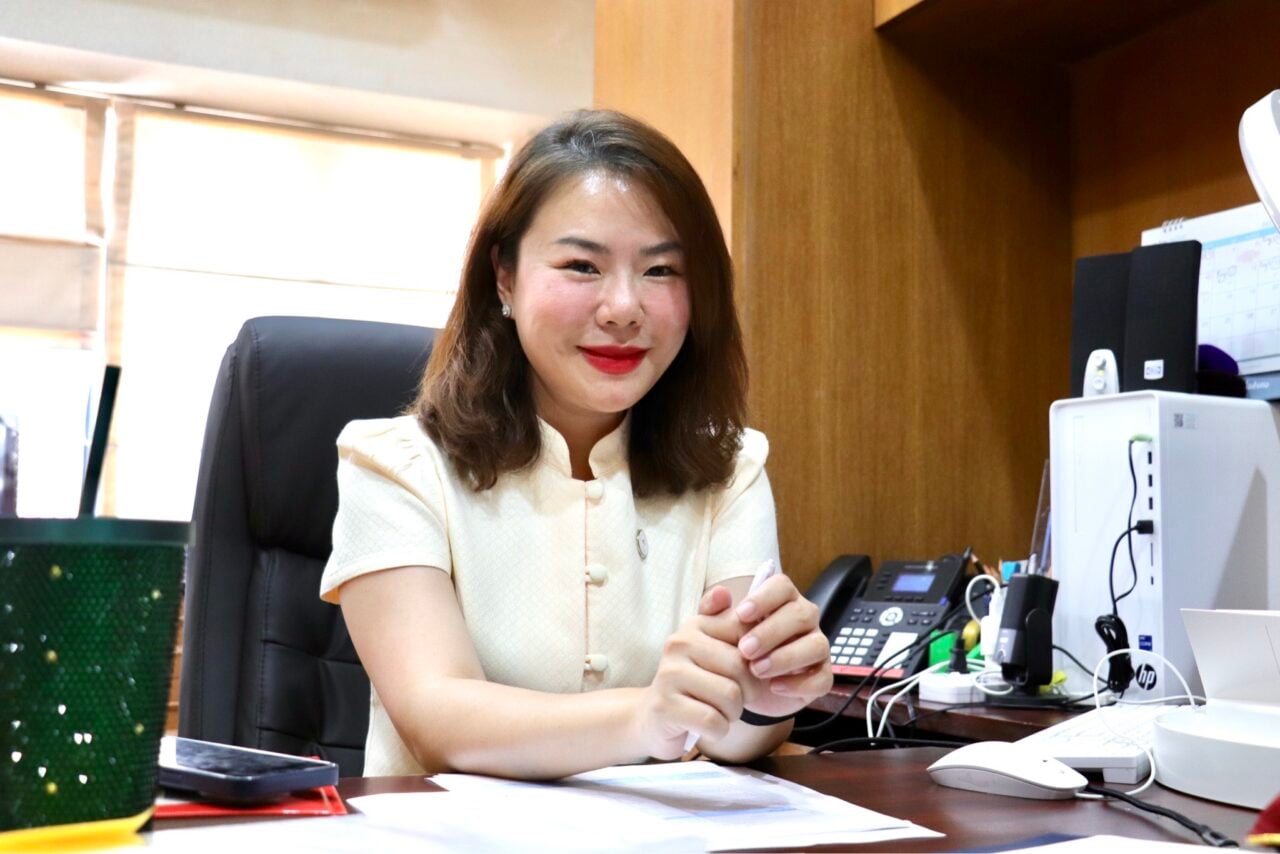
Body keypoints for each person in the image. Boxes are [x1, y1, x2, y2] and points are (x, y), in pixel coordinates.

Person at [319, 109, 832, 780]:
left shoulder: (729, 470)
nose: (623, 308)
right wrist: (646, 715)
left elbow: (735, 726)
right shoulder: (395, 466)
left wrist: (761, 702)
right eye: (582, 265)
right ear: (504, 277)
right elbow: (437, 718)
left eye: (661, 271)